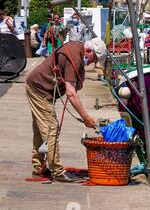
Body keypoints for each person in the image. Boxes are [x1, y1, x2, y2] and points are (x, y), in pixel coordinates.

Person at [25, 38, 107, 182]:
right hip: (40, 89)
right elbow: (71, 93)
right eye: (94, 59)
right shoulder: (74, 57)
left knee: (40, 129)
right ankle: (57, 171)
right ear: (88, 51)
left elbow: (75, 85)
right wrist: (86, 117)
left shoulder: (77, 50)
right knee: (51, 130)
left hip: (38, 86)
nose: (93, 63)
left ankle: (38, 168)